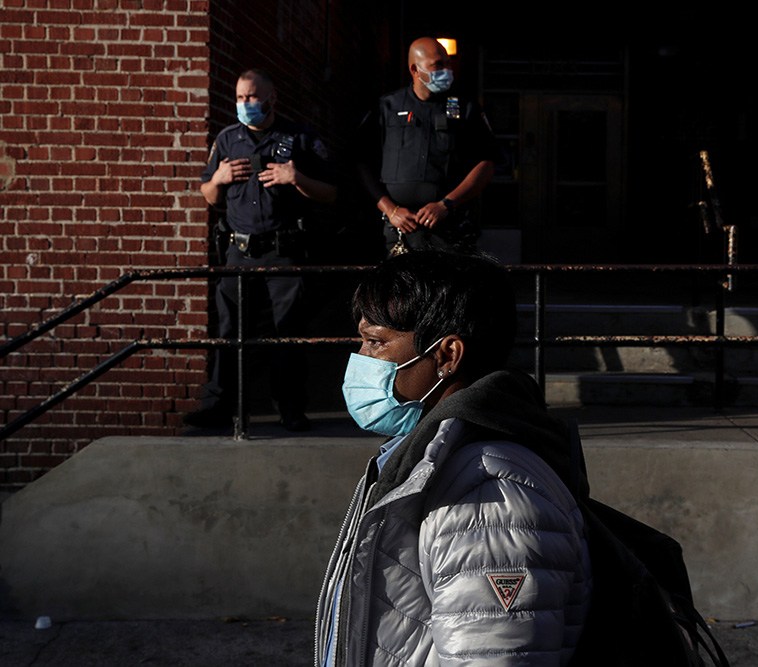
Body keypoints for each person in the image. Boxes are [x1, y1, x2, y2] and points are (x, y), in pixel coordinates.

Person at [315, 250, 591, 666]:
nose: (361, 359)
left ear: (447, 355)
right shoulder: (431, 460)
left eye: (376, 342)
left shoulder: (487, 496)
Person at [184, 69, 337, 431]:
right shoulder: (226, 139)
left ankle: (290, 408)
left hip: (283, 250)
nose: (245, 104)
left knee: (288, 334)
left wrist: (296, 178)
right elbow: (208, 194)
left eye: (251, 97)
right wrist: (217, 180)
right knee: (229, 331)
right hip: (239, 252)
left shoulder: (299, 138)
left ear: (272, 98)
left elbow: (331, 193)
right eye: (239, 97)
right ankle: (219, 408)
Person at [358, 37, 501, 255]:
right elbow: (360, 161)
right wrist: (391, 210)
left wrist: (446, 205)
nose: (447, 70)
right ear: (415, 70)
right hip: (399, 232)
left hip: (449, 230)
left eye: (448, 63)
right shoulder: (387, 108)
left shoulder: (465, 109)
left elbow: (486, 164)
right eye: (438, 65)